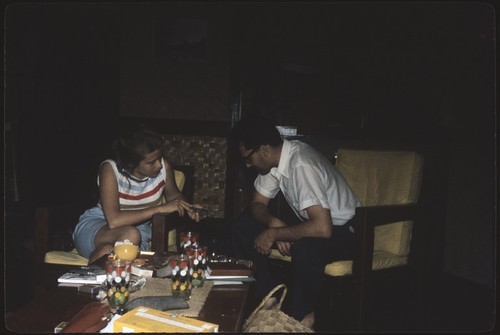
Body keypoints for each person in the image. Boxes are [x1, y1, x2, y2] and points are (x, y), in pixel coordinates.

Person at [230, 115, 361, 329]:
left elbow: (322, 228)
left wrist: (276, 234)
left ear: (263, 149)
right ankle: (268, 302)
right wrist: (274, 223)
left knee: (305, 246)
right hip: (320, 225)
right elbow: (256, 205)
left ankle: (304, 318)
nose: (247, 164)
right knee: (242, 227)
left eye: (248, 158)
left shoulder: (300, 163)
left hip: (349, 232)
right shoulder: (275, 161)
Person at [73, 124, 204, 264]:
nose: (159, 165)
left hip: (139, 234)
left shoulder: (163, 168)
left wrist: (189, 207)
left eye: (159, 158)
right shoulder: (110, 169)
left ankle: (98, 276)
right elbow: (114, 221)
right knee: (129, 235)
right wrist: (160, 208)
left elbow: (174, 196)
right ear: (131, 164)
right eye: (151, 162)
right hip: (98, 228)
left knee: (110, 251)